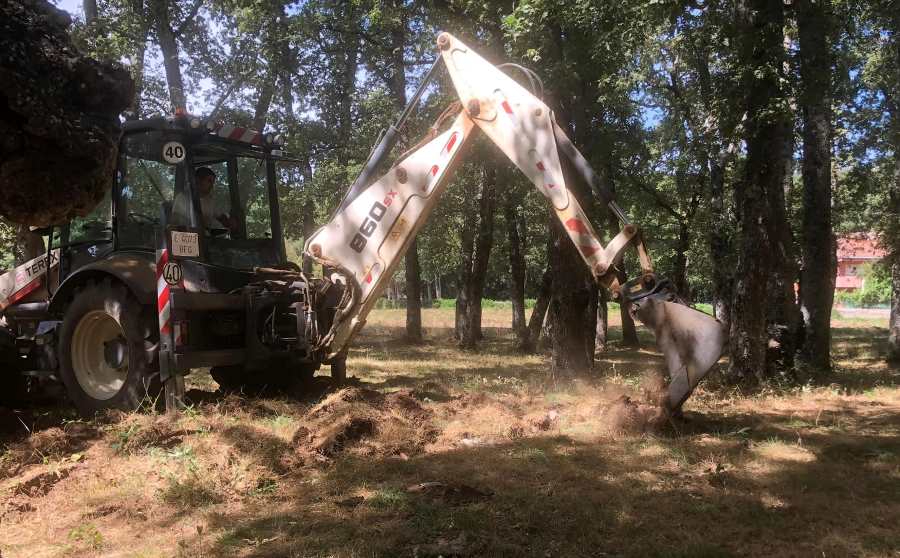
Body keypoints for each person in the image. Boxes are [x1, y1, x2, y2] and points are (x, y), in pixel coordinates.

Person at [172, 167, 238, 233]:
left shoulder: (210, 200)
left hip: (206, 237)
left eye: (213, 183)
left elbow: (220, 216)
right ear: (198, 180)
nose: (212, 186)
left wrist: (229, 222)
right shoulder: (182, 198)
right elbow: (177, 223)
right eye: (209, 181)